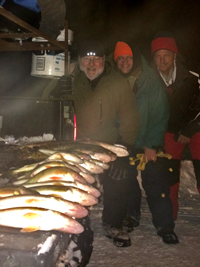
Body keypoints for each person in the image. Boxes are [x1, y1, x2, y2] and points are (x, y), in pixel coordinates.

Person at [68, 40, 141, 247]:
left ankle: (113, 223)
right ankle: (73, 223)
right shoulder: (74, 80)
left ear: (103, 61)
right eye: (87, 59)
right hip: (80, 144)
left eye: (96, 59)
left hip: (110, 144)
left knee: (119, 180)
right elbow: (49, 100)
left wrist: (124, 150)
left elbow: (131, 118)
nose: (92, 64)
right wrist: (57, 87)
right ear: (80, 62)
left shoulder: (117, 83)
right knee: (73, 183)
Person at [111, 41, 179, 244]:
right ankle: (132, 216)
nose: (124, 62)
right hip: (125, 144)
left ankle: (165, 225)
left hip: (149, 144)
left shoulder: (150, 79)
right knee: (126, 183)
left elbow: (160, 113)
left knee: (156, 184)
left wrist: (152, 144)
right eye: (120, 58)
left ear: (135, 58)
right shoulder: (113, 81)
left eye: (128, 57)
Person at [151, 31, 200, 220]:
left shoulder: (193, 76)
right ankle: (169, 217)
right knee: (169, 175)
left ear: (175, 56)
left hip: (195, 128)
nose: (162, 60)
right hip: (171, 132)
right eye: (158, 56)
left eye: (167, 55)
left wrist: (191, 128)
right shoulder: (150, 81)